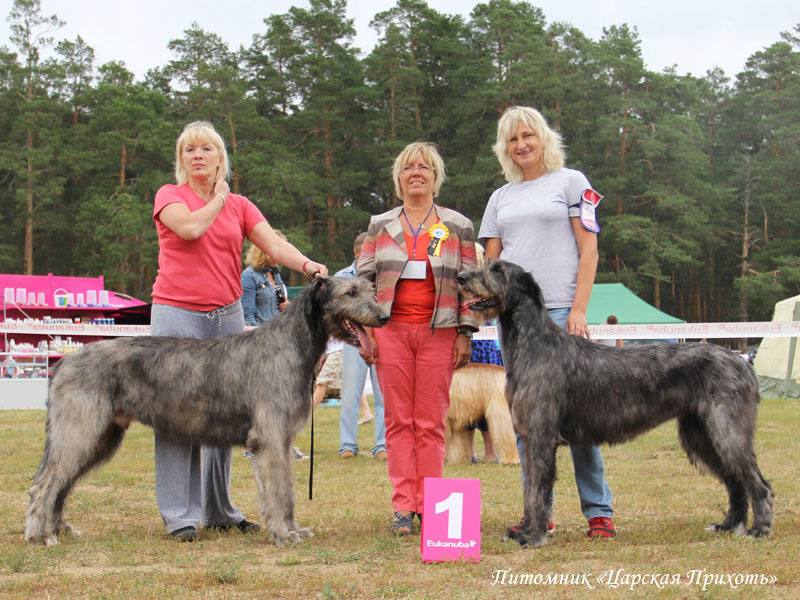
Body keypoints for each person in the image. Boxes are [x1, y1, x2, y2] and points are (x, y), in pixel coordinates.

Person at [151, 120, 327, 542]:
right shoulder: (170, 196)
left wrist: (307, 265)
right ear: (182, 159)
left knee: (226, 415)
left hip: (226, 317)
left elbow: (274, 245)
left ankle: (219, 510)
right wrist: (220, 198)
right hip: (177, 315)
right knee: (177, 414)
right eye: (189, 149)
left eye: (207, 148)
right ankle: (180, 515)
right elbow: (191, 228)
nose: (198, 155)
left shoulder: (242, 206)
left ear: (220, 157)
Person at [479, 106, 616, 539]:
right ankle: (539, 515)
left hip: (559, 312)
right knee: (527, 422)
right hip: (514, 322)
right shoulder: (500, 197)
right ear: (505, 149)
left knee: (580, 419)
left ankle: (598, 513)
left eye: (528, 136)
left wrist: (578, 309)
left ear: (543, 138)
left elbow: (588, 251)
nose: (521, 145)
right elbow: (492, 263)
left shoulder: (572, 182)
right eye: (512, 140)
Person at [358, 141, 478, 535]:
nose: (416, 173)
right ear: (399, 177)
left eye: (424, 167)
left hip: (439, 332)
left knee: (430, 423)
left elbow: (470, 287)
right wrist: (365, 333)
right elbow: (362, 283)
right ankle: (403, 509)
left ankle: (432, 507)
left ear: (435, 177)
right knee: (397, 422)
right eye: (409, 167)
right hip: (389, 331)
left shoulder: (458, 226)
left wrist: (464, 332)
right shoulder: (380, 223)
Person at [336, 233, 386, 461]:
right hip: (352, 340)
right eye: (369, 252)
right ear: (357, 253)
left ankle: (382, 445)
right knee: (350, 394)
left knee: (383, 394)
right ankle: (347, 445)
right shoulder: (342, 277)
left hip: (382, 339)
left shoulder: (383, 275)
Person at [240, 235, 289, 327]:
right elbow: (247, 316)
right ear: (265, 250)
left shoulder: (276, 273)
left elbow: (280, 301)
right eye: (278, 250)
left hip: (279, 332)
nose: (282, 254)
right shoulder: (249, 276)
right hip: (261, 335)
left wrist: (288, 306)